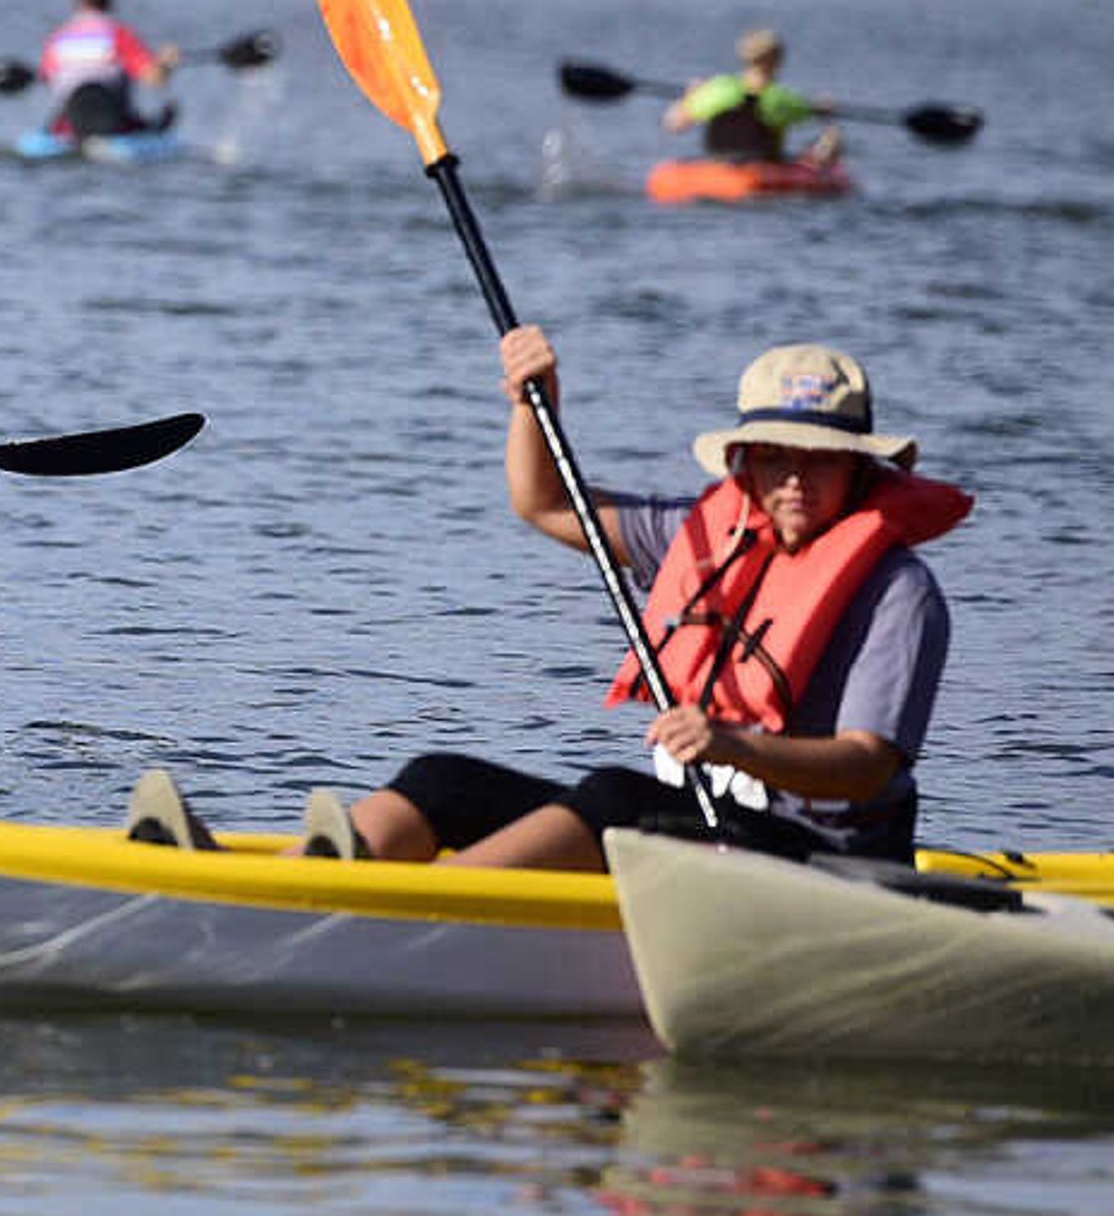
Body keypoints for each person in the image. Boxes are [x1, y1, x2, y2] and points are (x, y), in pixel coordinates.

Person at [297, 327, 969, 871]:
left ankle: (398, 915)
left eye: (820, 458)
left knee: (615, 797)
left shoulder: (899, 593)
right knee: (440, 778)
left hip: (823, 865)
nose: (794, 479)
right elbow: (546, 503)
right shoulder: (709, 536)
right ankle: (303, 878)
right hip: (701, 827)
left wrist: (734, 745)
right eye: (774, 456)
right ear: (745, 462)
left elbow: (865, 766)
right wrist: (536, 408)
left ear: (861, 466)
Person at [663, 29, 839, 166]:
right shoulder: (780, 98)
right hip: (762, 166)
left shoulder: (719, 88)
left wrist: (690, 97)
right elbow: (813, 111)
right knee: (831, 139)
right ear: (777, 61)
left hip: (719, 163)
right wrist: (823, 108)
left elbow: (673, 124)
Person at [37, 0, 180, 140]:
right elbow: (155, 78)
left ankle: (62, 133)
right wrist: (166, 64)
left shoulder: (57, 37)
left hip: (72, 117)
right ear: (110, 3)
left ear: (77, 4)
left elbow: (45, 78)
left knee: (63, 116)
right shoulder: (118, 34)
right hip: (110, 116)